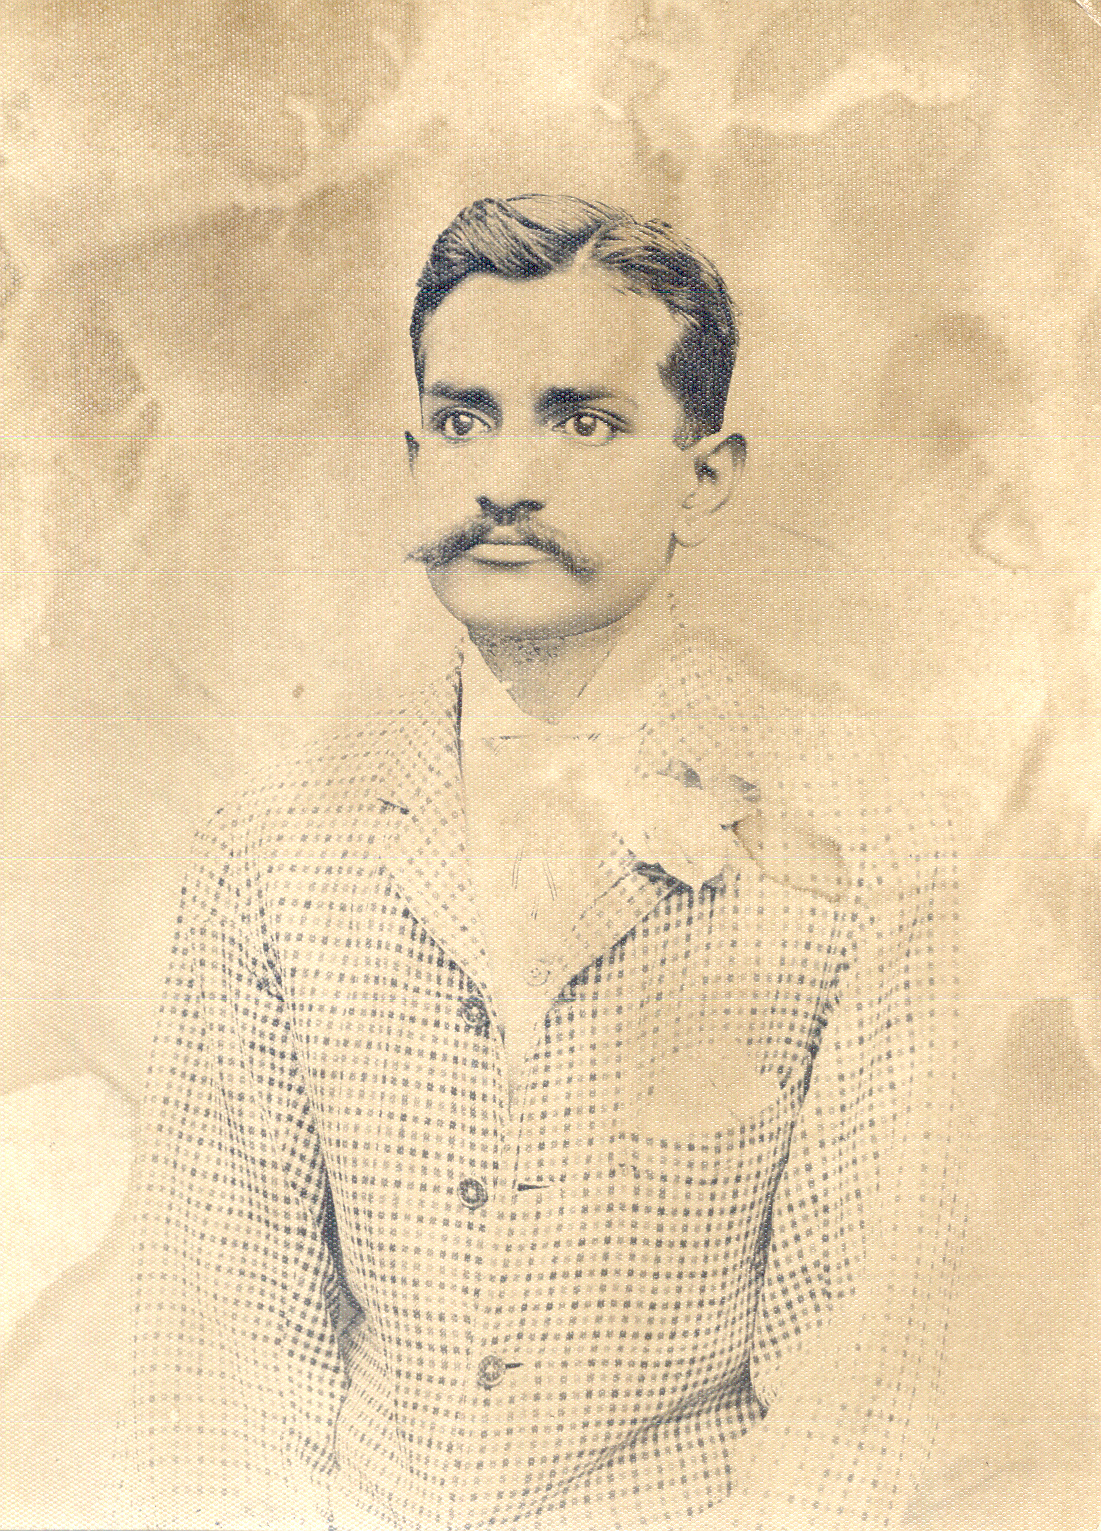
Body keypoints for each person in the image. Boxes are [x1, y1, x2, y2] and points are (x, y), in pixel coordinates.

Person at [131, 194, 966, 1530]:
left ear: (705, 477)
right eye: (464, 421)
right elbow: (217, 1362)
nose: (505, 479)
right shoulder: (270, 854)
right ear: (415, 460)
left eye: (583, 422)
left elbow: (855, 1396)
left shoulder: (873, 856)